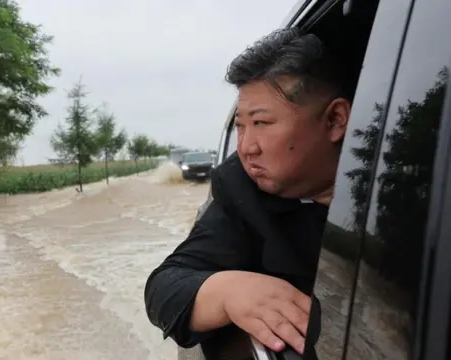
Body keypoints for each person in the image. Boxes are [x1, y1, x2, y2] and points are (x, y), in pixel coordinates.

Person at [144, 27, 354, 358]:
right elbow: (164, 288)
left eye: (261, 124)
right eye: (240, 126)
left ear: (335, 121)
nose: (246, 148)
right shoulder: (240, 189)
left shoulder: (401, 191)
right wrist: (228, 292)